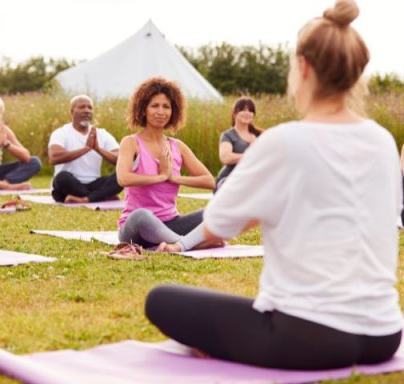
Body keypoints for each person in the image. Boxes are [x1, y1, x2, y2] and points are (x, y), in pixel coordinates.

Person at [146, 0, 403, 370]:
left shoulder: (283, 141)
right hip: (383, 334)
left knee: (162, 299)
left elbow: (218, 222)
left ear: (303, 67)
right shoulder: (381, 140)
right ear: (357, 70)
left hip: (308, 338)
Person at [116, 77, 218, 252]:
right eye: (155, 106)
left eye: (166, 107)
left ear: (173, 112)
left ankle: (178, 244)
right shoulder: (131, 143)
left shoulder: (178, 147)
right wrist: (160, 177)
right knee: (142, 215)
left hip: (171, 223)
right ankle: (186, 244)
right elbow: (123, 178)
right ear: (143, 110)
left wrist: (174, 178)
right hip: (136, 228)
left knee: (216, 211)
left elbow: (209, 181)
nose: (161, 111)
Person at [48, 95, 123, 203]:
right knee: (62, 177)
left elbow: (121, 159)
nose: (87, 111)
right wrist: (85, 149)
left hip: (93, 184)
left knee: (121, 175)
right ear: (72, 111)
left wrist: (98, 149)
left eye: (90, 108)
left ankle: (86, 199)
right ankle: (101, 196)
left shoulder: (102, 134)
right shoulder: (61, 133)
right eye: (82, 107)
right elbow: (54, 157)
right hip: (69, 187)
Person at [214, 97, 262, 192]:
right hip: (229, 180)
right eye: (243, 110)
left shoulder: (259, 135)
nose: (247, 113)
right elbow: (225, 158)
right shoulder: (228, 135)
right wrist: (251, 155)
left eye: (250, 111)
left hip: (253, 179)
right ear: (235, 113)